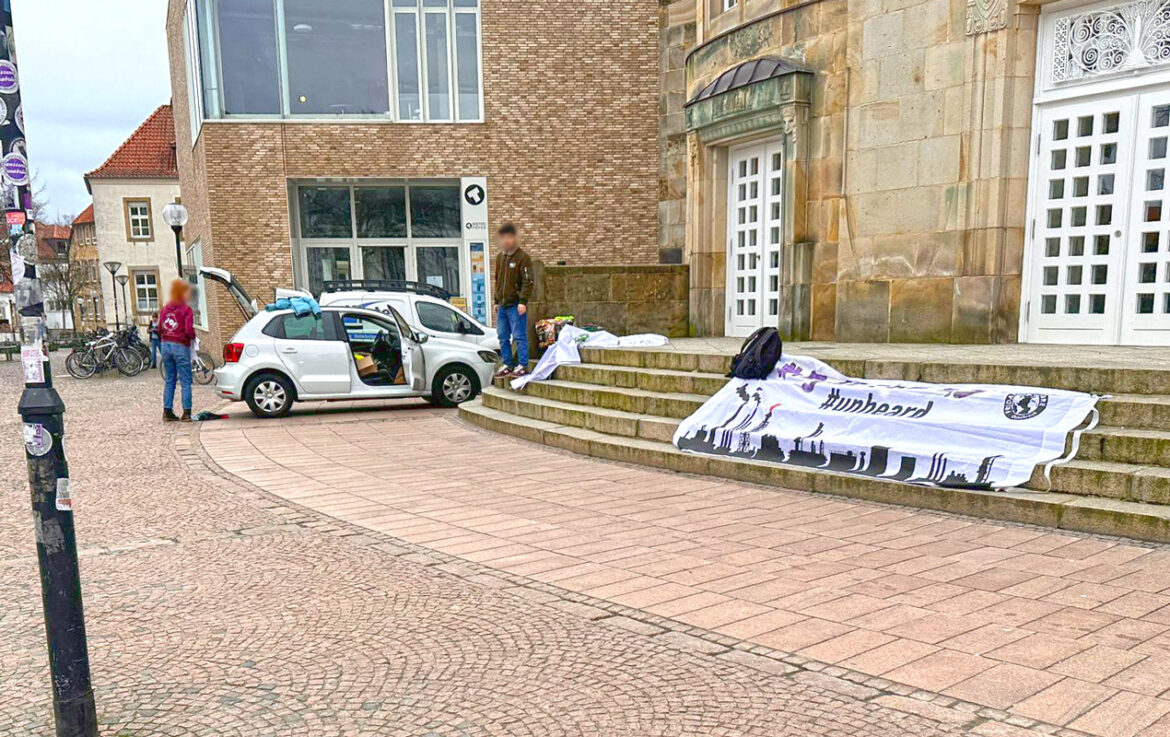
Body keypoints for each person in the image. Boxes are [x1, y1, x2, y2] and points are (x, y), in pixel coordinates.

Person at [492, 222, 535, 379]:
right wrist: (496, 300)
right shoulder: (500, 258)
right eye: (504, 238)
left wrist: (523, 301)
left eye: (510, 237)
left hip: (515, 305)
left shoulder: (523, 258)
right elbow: (498, 280)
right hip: (503, 305)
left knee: (519, 336)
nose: (507, 241)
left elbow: (528, 281)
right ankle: (508, 363)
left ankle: (523, 365)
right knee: (502, 336)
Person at [158, 279, 196, 422]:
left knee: (170, 379)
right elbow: (188, 330)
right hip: (180, 345)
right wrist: (193, 338)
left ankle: (167, 411)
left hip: (165, 345)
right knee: (186, 381)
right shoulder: (186, 310)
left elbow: (159, 329)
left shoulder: (165, 309)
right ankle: (186, 412)